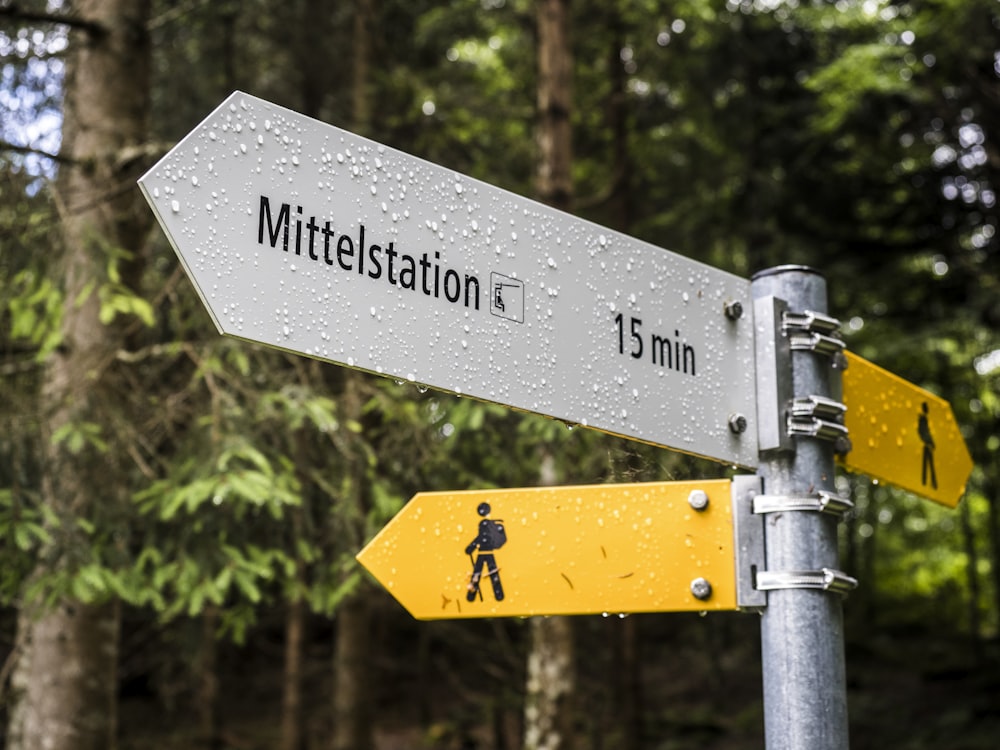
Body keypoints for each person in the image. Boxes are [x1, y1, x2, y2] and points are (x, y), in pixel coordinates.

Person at [464, 502, 505, 602]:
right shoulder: (487, 524)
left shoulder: (486, 525)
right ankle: (497, 595)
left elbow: (480, 538)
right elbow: (481, 538)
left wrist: (470, 548)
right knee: (483, 573)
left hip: (484, 552)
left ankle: (472, 596)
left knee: (481, 572)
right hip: (485, 552)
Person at [918, 402, 937, 490]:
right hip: (927, 444)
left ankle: (930, 483)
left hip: (928, 444)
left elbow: (926, 432)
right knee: (927, 464)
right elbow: (922, 432)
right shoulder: (922, 419)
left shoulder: (924, 418)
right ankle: (925, 483)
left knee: (929, 464)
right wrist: (929, 442)